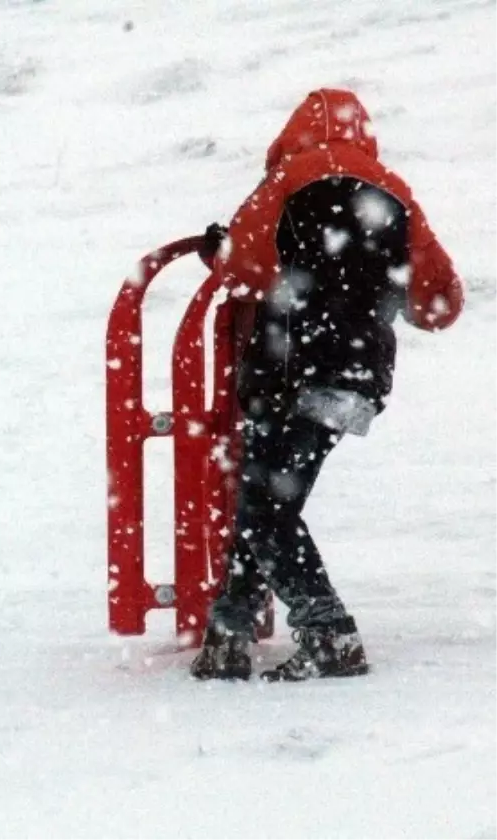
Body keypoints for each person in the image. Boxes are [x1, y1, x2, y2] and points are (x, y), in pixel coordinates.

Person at [189, 88, 464, 682]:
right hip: (355, 378)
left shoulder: (290, 177)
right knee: (268, 503)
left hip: (286, 369)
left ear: (294, 132)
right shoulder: (394, 191)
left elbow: (243, 269)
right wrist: (374, 289)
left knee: (264, 510)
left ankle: (328, 632)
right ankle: (229, 631)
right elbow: (441, 304)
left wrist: (223, 254)